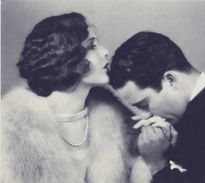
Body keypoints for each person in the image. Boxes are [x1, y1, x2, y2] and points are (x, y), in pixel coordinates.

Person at [1, 12, 143, 183]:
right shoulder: (9, 129)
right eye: (92, 46)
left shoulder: (121, 123)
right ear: (65, 57)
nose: (105, 52)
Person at [108, 31, 205, 183]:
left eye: (144, 104)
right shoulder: (201, 112)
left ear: (170, 80)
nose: (144, 115)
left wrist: (157, 164)